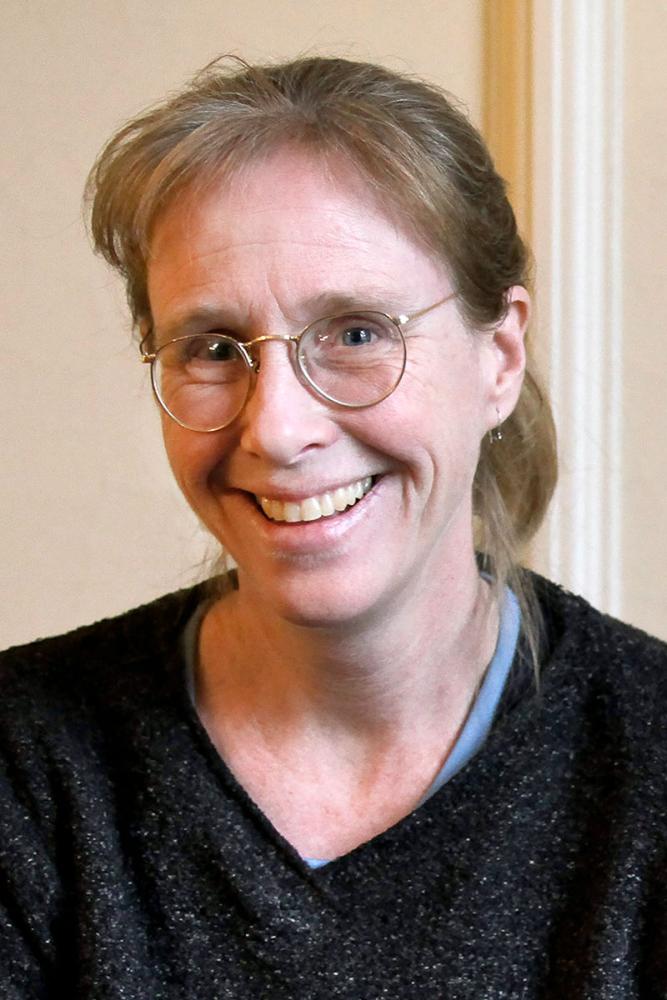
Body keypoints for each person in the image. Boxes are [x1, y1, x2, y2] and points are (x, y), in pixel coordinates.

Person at [1, 56, 665, 999]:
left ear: (499, 357)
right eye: (214, 348)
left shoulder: (647, 766)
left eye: (355, 333)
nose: (274, 427)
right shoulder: (28, 766)